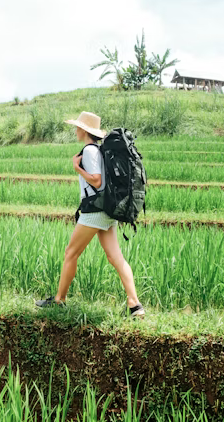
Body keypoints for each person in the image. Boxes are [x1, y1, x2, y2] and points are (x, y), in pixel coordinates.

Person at [35, 112, 145, 317]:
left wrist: (77, 168)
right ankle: (135, 304)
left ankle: (59, 300)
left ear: (84, 130)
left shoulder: (89, 151)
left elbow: (96, 180)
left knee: (71, 253)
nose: (76, 130)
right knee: (115, 257)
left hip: (95, 211)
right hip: (107, 210)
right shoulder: (100, 150)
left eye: (78, 127)